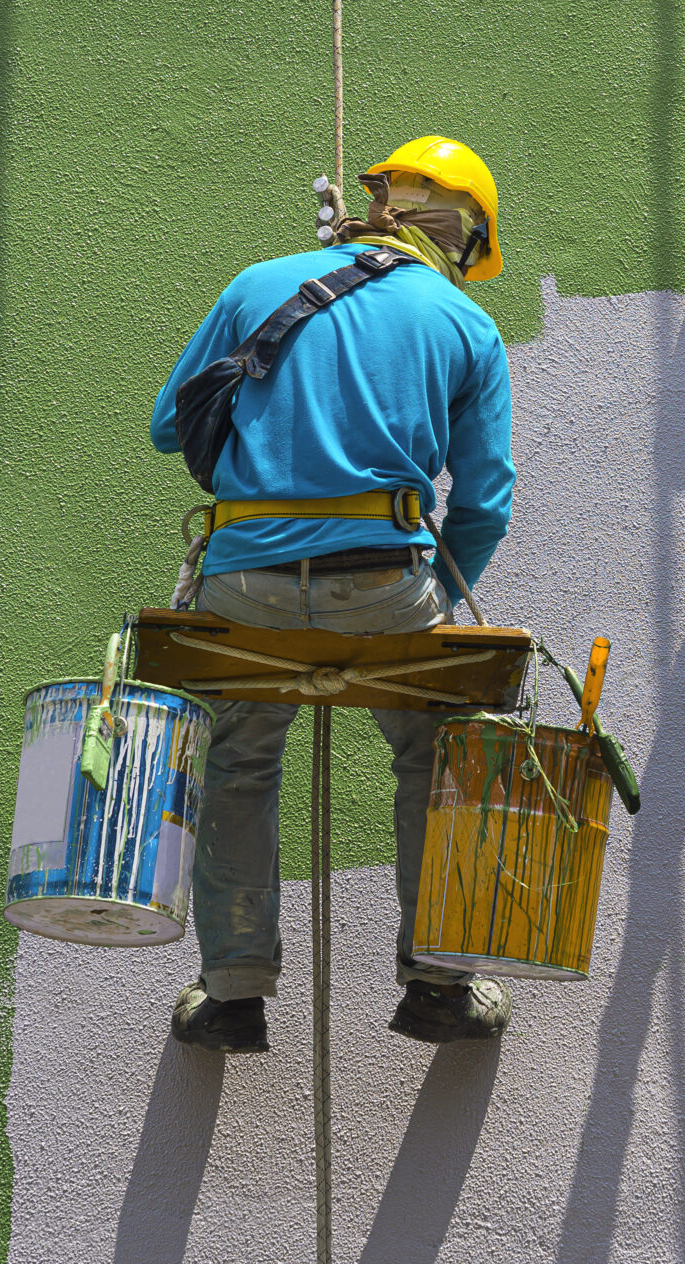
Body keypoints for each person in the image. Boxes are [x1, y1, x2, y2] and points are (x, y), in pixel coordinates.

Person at [151, 135, 517, 1051]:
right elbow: (485, 499)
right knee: (437, 758)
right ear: (463, 235)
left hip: (245, 585)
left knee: (238, 757)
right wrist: (433, 584)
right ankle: (436, 985)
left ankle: (233, 991)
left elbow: (169, 427)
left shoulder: (260, 283)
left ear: (376, 204)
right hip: (386, 584)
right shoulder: (465, 325)